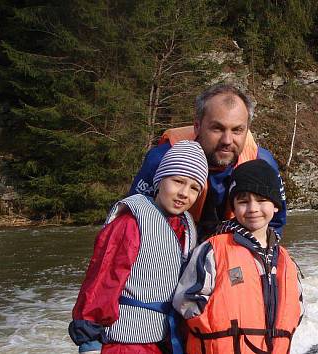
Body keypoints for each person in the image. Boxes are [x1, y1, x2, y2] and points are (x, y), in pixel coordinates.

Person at [68, 140, 209, 354]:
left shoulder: (186, 225)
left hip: (164, 339)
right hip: (125, 342)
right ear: (160, 180)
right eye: (178, 181)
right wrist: (90, 341)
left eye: (194, 188)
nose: (184, 193)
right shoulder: (131, 222)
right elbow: (103, 279)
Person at [172, 159, 303, 354]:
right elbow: (186, 301)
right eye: (243, 201)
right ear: (233, 206)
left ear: (276, 205)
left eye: (261, 200)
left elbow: (298, 308)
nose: (252, 208)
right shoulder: (213, 248)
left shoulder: (286, 260)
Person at [129, 83, 286, 238]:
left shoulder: (263, 164)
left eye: (237, 130)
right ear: (197, 126)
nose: (227, 140)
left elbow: (275, 224)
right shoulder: (162, 159)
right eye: (217, 128)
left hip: (232, 249)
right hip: (172, 243)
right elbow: (132, 220)